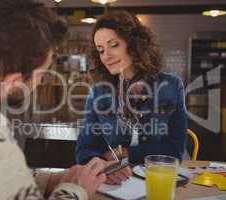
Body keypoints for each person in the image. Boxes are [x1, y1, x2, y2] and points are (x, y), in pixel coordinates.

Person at [0, 0, 107, 199]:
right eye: (41, 74)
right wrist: (77, 189)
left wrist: (49, 180)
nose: (40, 82)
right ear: (14, 81)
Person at [76, 11, 188, 184]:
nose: (106, 55)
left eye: (113, 45)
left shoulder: (172, 86)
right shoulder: (98, 92)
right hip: (117, 183)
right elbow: (85, 149)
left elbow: (175, 151)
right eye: (101, 50)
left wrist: (126, 153)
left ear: (134, 44)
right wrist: (102, 165)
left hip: (160, 178)